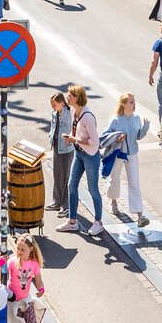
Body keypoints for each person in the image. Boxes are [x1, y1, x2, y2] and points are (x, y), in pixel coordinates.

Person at [59, 85, 104, 235]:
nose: (67, 97)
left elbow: (94, 142)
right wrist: (72, 139)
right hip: (79, 153)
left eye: (70, 95)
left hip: (90, 155)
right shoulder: (74, 111)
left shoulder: (88, 117)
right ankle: (72, 221)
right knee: (72, 185)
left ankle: (98, 222)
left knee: (93, 189)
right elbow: (78, 133)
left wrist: (75, 140)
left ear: (77, 98)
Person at [0, 234, 47, 323]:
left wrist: (41, 288)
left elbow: (38, 280)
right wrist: (0, 263)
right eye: (18, 248)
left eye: (22, 249)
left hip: (26, 299)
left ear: (31, 249)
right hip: (13, 301)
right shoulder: (12, 262)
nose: (19, 252)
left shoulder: (34, 264)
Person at [103, 93, 150, 227]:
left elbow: (138, 136)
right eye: (131, 102)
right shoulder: (115, 120)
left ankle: (140, 215)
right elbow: (105, 136)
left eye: (134, 102)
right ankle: (113, 202)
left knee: (134, 183)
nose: (133, 104)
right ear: (123, 104)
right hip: (118, 154)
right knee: (115, 179)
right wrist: (117, 138)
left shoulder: (136, 118)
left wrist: (145, 129)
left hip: (132, 154)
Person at [46, 91, 74, 214]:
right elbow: (52, 128)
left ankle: (66, 205)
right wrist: (50, 136)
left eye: (54, 105)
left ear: (62, 103)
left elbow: (75, 128)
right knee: (57, 175)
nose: (53, 107)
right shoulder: (54, 113)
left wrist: (71, 139)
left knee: (65, 177)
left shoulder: (69, 114)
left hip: (67, 149)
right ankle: (56, 202)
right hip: (57, 147)